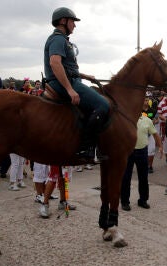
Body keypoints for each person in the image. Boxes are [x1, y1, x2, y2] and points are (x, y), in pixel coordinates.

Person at [44, 7, 110, 159]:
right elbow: (55, 63)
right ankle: (85, 148)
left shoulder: (62, 40)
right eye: (73, 21)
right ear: (63, 21)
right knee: (103, 105)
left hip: (70, 80)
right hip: (63, 83)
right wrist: (69, 89)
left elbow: (67, 68)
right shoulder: (58, 39)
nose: (75, 25)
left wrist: (86, 76)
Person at [120, 112, 163, 211]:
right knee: (126, 177)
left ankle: (143, 200)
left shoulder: (147, 120)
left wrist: (160, 146)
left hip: (142, 151)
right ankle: (125, 201)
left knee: (143, 177)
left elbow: (155, 134)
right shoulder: (125, 118)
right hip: (128, 151)